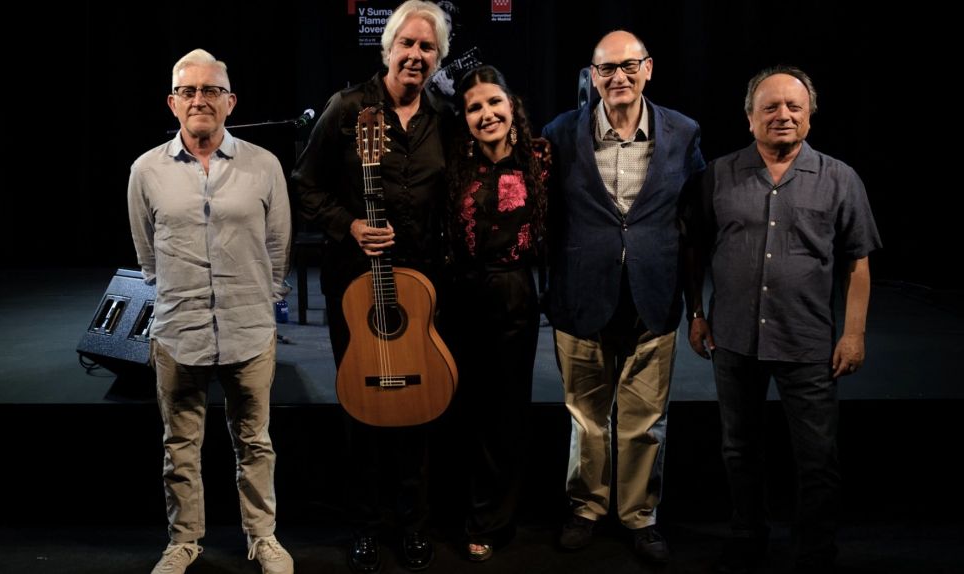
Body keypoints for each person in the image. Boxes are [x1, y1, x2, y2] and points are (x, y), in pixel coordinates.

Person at [684, 66, 881, 574]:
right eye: (770, 107)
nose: (783, 115)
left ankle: (814, 550)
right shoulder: (717, 175)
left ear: (810, 115)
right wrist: (697, 313)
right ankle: (747, 535)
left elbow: (857, 262)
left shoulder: (840, 178)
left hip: (807, 341)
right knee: (739, 449)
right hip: (733, 339)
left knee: (817, 456)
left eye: (794, 106)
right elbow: (695, 250)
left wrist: (853, 333)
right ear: (749, 118)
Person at [291, 2, 450, 572]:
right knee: (363, 407)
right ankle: (365, 522)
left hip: (422, 288)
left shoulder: (444, 116)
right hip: (357, 287)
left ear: (438, 57)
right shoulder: (347, 108)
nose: (415, 55)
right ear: (388, 49)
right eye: (407, 43)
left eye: (427, 47)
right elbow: (305, 184)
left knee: (419, 408)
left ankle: (414, 521)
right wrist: (350, 225)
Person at [127, 49, 294, 574]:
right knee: (179, 444)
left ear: (230, 102)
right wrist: (176, 295)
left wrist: (262, 299)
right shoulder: (145, 170)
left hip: (249, 329)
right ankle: (183, 541)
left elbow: (278, 246)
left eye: (211, 90)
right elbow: (147, 255)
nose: (200, 99)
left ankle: (263, 537)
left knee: (255, 442)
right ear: (173, 102)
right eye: (189, 91)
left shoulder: (264, 165)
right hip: (179, 330)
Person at [540, 30, 704, 563]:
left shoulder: (683, 132)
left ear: (647, 69)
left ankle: (640, 515)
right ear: (592, 76)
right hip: (581, 298)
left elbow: (694, 221)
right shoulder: (560, 134)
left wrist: (697, 305)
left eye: (628, 66)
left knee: (645, 419)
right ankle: (586, 507)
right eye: (606, 69)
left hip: (653, 296)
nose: (618, 77)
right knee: (586, 417)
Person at [444, 65, 547, 562]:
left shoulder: (541, 157)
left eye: (493, 102)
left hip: (512, 294)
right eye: (474, 107)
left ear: (511, 105)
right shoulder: (454, 161)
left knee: (505, 412)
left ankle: (491, 519)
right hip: (459, 296)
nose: (486, 114)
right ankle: (456, 508)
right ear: (464, 117)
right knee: (462, 406)